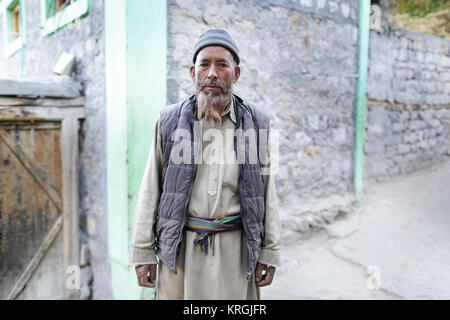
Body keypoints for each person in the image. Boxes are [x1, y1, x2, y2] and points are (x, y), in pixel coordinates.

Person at [128, 29, 281, 300]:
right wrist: (142, 252)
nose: (212, 73)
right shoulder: (169, 122)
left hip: (236, 253)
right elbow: (150, 188)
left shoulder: (259, 124)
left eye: (222, 65)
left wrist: (269, 252)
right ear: (192, 72)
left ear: (236, 74)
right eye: (204, 65)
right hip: (181, 252)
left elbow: (268, 193)